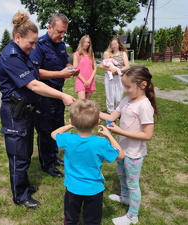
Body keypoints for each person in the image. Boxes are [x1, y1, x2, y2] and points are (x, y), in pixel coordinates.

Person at [0, 11, 76, 208]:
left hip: (26, 111)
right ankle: (20, 196)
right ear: (18, 37)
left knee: (25, 150)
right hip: (15, 113)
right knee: (19, 155)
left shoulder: (23, 54)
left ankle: (23, 185)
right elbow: (34, 85)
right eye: (30, 43)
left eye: (34, 43)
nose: (33, 47)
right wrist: (62, 95)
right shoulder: (11, 56)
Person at [99, 65, 158, 225]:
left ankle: (133, 216)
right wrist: (92, 110)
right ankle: (124, 198)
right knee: (121, 175)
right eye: (123, 86)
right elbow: (111, 117)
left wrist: (120, 131)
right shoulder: (126, 100)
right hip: (121, 149)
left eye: (128, 86)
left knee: (133, 184)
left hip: (134, 153)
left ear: (143, 85)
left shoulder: (144, 106)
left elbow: (147, 135)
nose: (124, 90)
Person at [51, 99, 124, 224]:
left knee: (70, 218)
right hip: (94, 189)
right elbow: (121, 155)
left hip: (73, 188)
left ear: (71, 121)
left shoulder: (68, 139)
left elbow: (54, 133)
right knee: (92, 221)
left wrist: (71, 125)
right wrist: (109, 135)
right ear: (97, 122)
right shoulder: (101, 143)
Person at [30, 13, 80, 178]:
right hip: (44, 95)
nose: (62, 35)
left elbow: (63, 63)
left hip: (58, 93)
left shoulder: (61, 45)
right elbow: (36, 73)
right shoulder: (39, 45)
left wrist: (70, 68)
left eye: (64, 32)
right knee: (45, 130)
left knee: (57, 128)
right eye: (59, 31)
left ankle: (53, 156)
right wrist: (60, 73)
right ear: (49, 27)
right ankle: (47, 164)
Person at [99, 37, 130, 114]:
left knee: (119, 95)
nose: (114, 45)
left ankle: (118, 111)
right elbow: (101, 66)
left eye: (115, 44)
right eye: (112, 44)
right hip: (109, 77)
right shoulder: (109, 54)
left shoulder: (123, 53)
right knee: (110, 95)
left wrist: (117, 71)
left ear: (119, 44)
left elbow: (127, 66)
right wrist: (110, 69)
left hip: (120, 77)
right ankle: (110, 111)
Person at [73, 35, 97, 100]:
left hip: (90, 80)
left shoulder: (91, 54)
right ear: (81, 43)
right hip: (81, 80)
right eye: (85, 42)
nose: (86, 44)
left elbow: (95, 68)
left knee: (87, 103)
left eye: (88, 42)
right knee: (82, 102)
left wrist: (90, 80)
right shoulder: (77, 54)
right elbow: (75, 69)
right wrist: (84, 81)